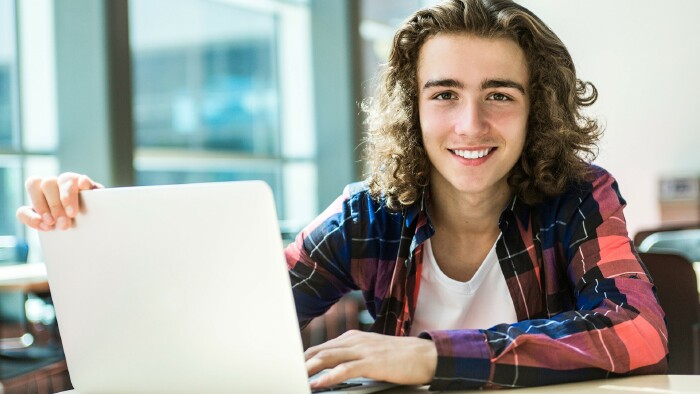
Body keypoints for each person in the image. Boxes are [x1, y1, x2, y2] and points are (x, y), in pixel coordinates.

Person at [17, 0, 668, 390]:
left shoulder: (579, 196)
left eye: (500, 95)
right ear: (410, 110)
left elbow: (636, 329)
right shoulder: (368, 212)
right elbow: (221, 323)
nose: (471, 124)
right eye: (444, 94)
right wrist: (98, 230)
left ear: (538, 110)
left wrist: (430, 355)